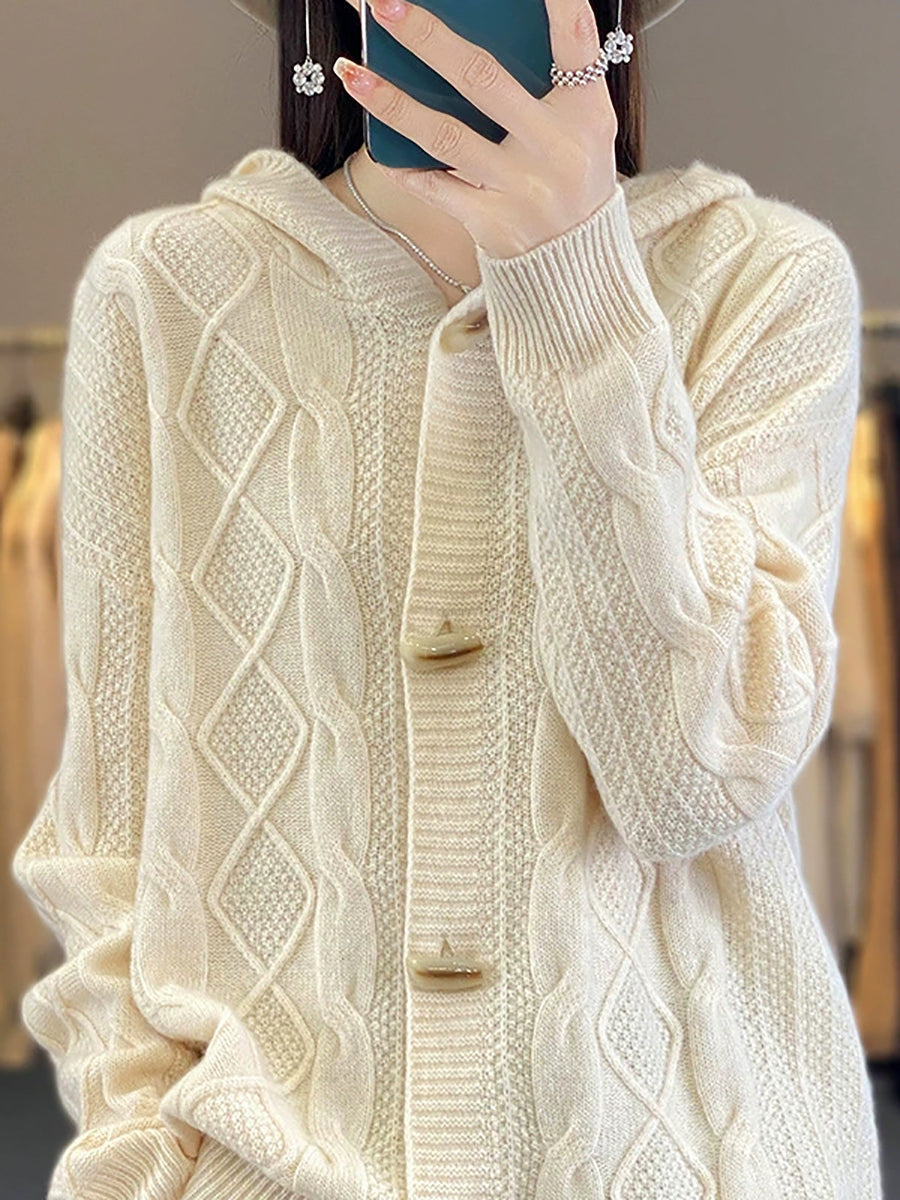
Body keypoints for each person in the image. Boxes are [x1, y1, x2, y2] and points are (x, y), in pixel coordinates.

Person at [12, 0, 885, 1197]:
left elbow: (694, 778)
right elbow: (106, 843)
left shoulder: (759, 282)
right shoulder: (166, 294)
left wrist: (577, 289)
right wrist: (147, 1170)